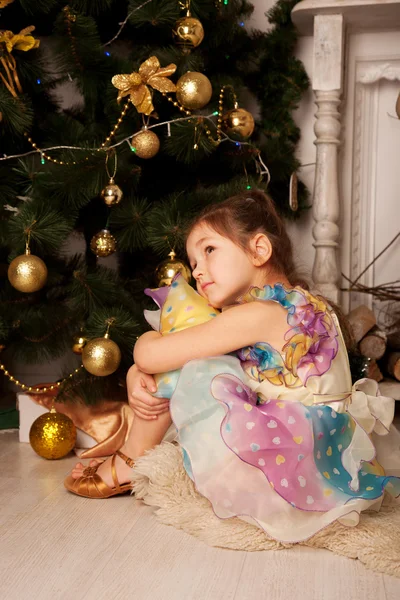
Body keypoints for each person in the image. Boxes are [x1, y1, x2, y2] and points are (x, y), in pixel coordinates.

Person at [64, 190, 399, 543]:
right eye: (193, 262)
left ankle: (128, 462)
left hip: (296, 464)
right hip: (332, 455)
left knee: (193, 365)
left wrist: (141, 361)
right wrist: (139, 373)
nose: (198, 271)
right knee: (189, 359)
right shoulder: (299, 304)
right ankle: (133, 456)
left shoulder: (259, 314)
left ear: (259, 250)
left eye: (209, 250)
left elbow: (153, 355)